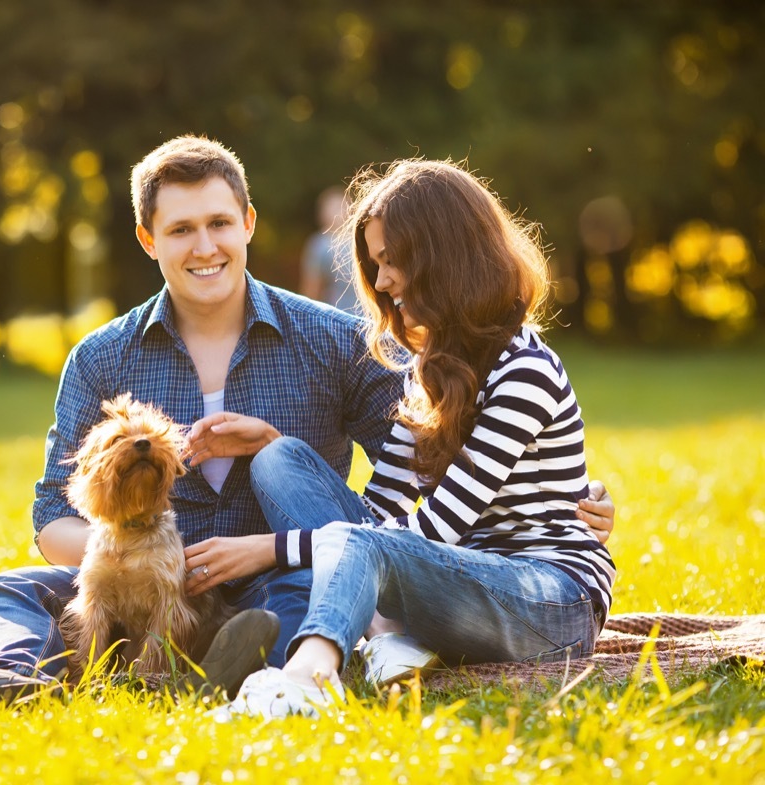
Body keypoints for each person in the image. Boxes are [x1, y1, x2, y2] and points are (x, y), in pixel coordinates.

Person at [0, 137, 613, 699]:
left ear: (249, 223)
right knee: (13, 588)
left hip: (277, 574)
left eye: (218, 222)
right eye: (181, 229)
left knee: (296, 578)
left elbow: (429, 487)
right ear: (148, 239)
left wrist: (571, 493)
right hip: (136, 578)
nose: (204, 245)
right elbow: (49, 513)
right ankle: (9, 679)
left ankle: (242, 671)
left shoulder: (336, 341)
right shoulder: (101, 357)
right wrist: (137, 558)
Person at [220, 159, 617, 718]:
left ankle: (308, 674)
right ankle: (388, 636)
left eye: (390, 261)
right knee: (279, 460)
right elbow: (381, 511)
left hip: (551, 598)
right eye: (375, 264)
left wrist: (268, 549)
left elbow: (436, 528)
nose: (380, 282)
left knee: (366, 546)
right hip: (457, 578)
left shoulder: (525, 370)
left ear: (444, 254)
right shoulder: (429, 367)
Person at [299, 186, 359, 313]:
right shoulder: (319, 245)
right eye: (333, 207)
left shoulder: (362, 240)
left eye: (340, 206)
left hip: (343, 318)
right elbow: (312, 288)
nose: (338, 212)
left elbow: (311, 289)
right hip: (340, 316)